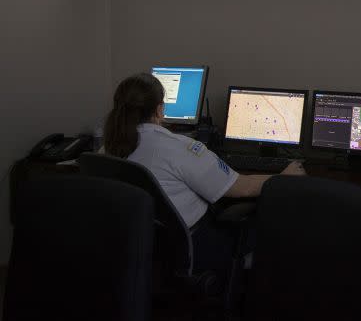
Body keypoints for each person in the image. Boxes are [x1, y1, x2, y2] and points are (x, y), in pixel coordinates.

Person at [103, 73, 305, 284]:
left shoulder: (109, 147)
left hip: (142, 248)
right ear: (159, 109)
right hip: (192, 246)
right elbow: (240, 188)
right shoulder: (179, 147)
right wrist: (284, 177)